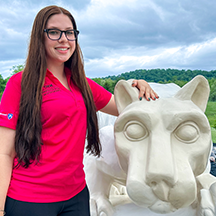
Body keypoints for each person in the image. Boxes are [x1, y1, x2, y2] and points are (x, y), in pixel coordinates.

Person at [0, 5, 158, 216]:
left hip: (76, 196)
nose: (64, 39)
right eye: (54, 32)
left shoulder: (82, 85)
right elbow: (4, 152)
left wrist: (137, 85)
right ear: (40, 37)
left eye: (70, 33)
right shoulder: (20, 83)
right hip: (30, 199)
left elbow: (125, 108)